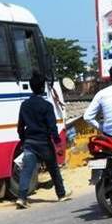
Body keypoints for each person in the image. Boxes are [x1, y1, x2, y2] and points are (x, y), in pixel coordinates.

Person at [16, 73, 71, 209]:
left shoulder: (25, 105)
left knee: (26, 171)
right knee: (53, 169)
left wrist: (24, 140)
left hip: (30, 143)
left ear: (31, 87)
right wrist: (57, 143)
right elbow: (52, 127)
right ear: (42, 88)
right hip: (44, 143)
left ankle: (22, 198)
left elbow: (20, 126)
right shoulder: (47, 106)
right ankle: (61, 194)